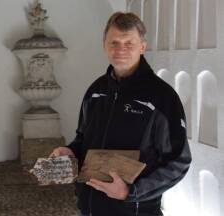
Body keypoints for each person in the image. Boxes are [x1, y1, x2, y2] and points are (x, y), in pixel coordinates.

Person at [49, 12, 191, 216]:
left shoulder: (162, 97)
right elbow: (83, 140)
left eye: (129, 43)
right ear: (104, 45)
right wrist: (69, 152)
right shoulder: (96, 91)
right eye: (114, 42)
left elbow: (178, 161)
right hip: (89, 208)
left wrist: (131, 191)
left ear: (142, 47)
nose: (120, 49)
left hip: (134, 210)